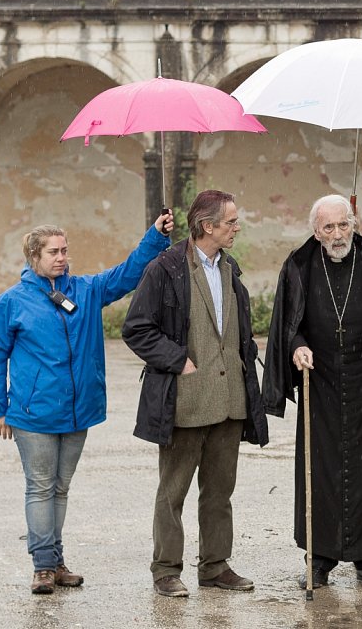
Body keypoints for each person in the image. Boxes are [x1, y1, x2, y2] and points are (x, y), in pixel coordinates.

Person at [0, 212, 174, 594]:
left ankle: (56, 561)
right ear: (33, 256)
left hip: (78, 410)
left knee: (60, 488)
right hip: (32, 414)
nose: (61, 257)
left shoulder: (85, 290)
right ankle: (42, 566)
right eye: (53, 251)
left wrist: (154, 236)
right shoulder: (12, 303)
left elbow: (127, 274)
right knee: (39, 487)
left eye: (65, 250)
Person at [263, 194, 362, 588]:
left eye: (343, 225)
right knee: (321, 473)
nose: (337, 234)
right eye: (328, 228)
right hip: (321, 384)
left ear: (354, 223)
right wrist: (297, 345)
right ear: (316, 232)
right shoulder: (299, 265)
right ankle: (318, 561)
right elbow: (288, 321)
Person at [122, 189, 268, 598]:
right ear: (208, 226)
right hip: (184, 399)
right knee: (173, 492)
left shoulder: (230, 269)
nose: (237, 227)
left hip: (229, 400)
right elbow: (136, 328)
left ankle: (215, 566)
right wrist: (177, 360)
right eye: (231, 221)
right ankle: (166, 570)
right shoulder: (164, 268)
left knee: (220, 492)